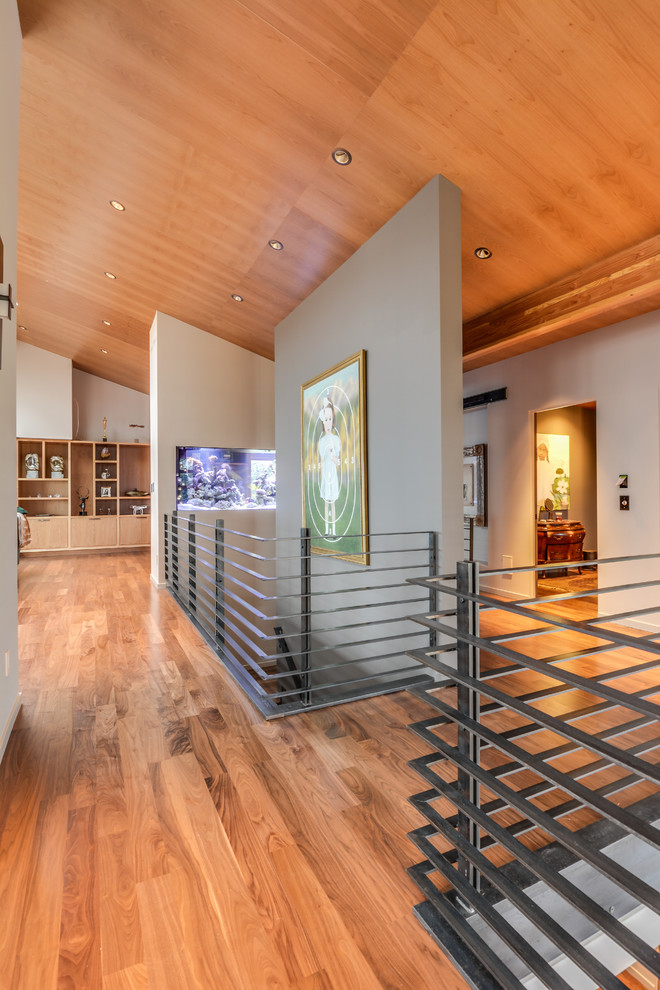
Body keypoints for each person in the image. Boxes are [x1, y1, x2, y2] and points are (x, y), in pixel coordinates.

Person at [318, 396, 340, 536]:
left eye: (330, 419)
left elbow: (337, 460)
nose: (327, 423)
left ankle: (334, 529)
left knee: (332, 501)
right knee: (326, 501)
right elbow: (321, 460)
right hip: (326, 472)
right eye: (325, 419)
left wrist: (332, 453)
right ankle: (327, 529)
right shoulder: (321, 441)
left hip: (332, 471)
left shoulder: (336, 440)